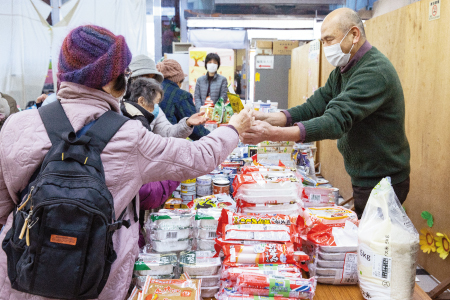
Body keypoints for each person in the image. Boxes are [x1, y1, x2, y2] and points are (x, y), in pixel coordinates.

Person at [0, 24, 252, 299]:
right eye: (124, 72)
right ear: (109, 80)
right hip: (95, 281)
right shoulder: (128, 135)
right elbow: (200, 157)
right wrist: (234, 128)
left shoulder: (16, 125)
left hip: (22, 276)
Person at [241, 8, 410, 218]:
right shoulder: (343, 70)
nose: (326, 47)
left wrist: (272, 134)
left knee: (373, 245)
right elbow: (313, 107)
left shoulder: (374, 72)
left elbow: (335, 121)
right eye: (322, 41)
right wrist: (270, 118)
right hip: (365, 175)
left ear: (354, 35)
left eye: (329, 39)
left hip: (383, 180)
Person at [122, 77, 207, 138]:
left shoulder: (156, 111)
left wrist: (187, 123)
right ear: (141, 101)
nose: (156, 106)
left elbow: (168, 133)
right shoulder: (122, 115)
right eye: (155, 102)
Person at [156, 59, 211, 140]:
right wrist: (214, 138)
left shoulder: (154, 90)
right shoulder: (181, 95)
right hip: (171, 143)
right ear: (178, 80)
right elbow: (196, 131)